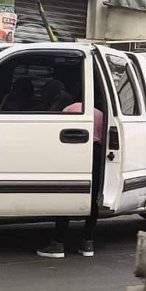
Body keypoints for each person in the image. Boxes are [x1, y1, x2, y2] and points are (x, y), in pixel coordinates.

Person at [38, 101, 104, 258]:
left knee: (67, 194)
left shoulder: (69, 108)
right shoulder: (99, 113)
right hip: (96, 152)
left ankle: (58, 243)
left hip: (74, 151)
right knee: (92, 198)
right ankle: (88, 243)